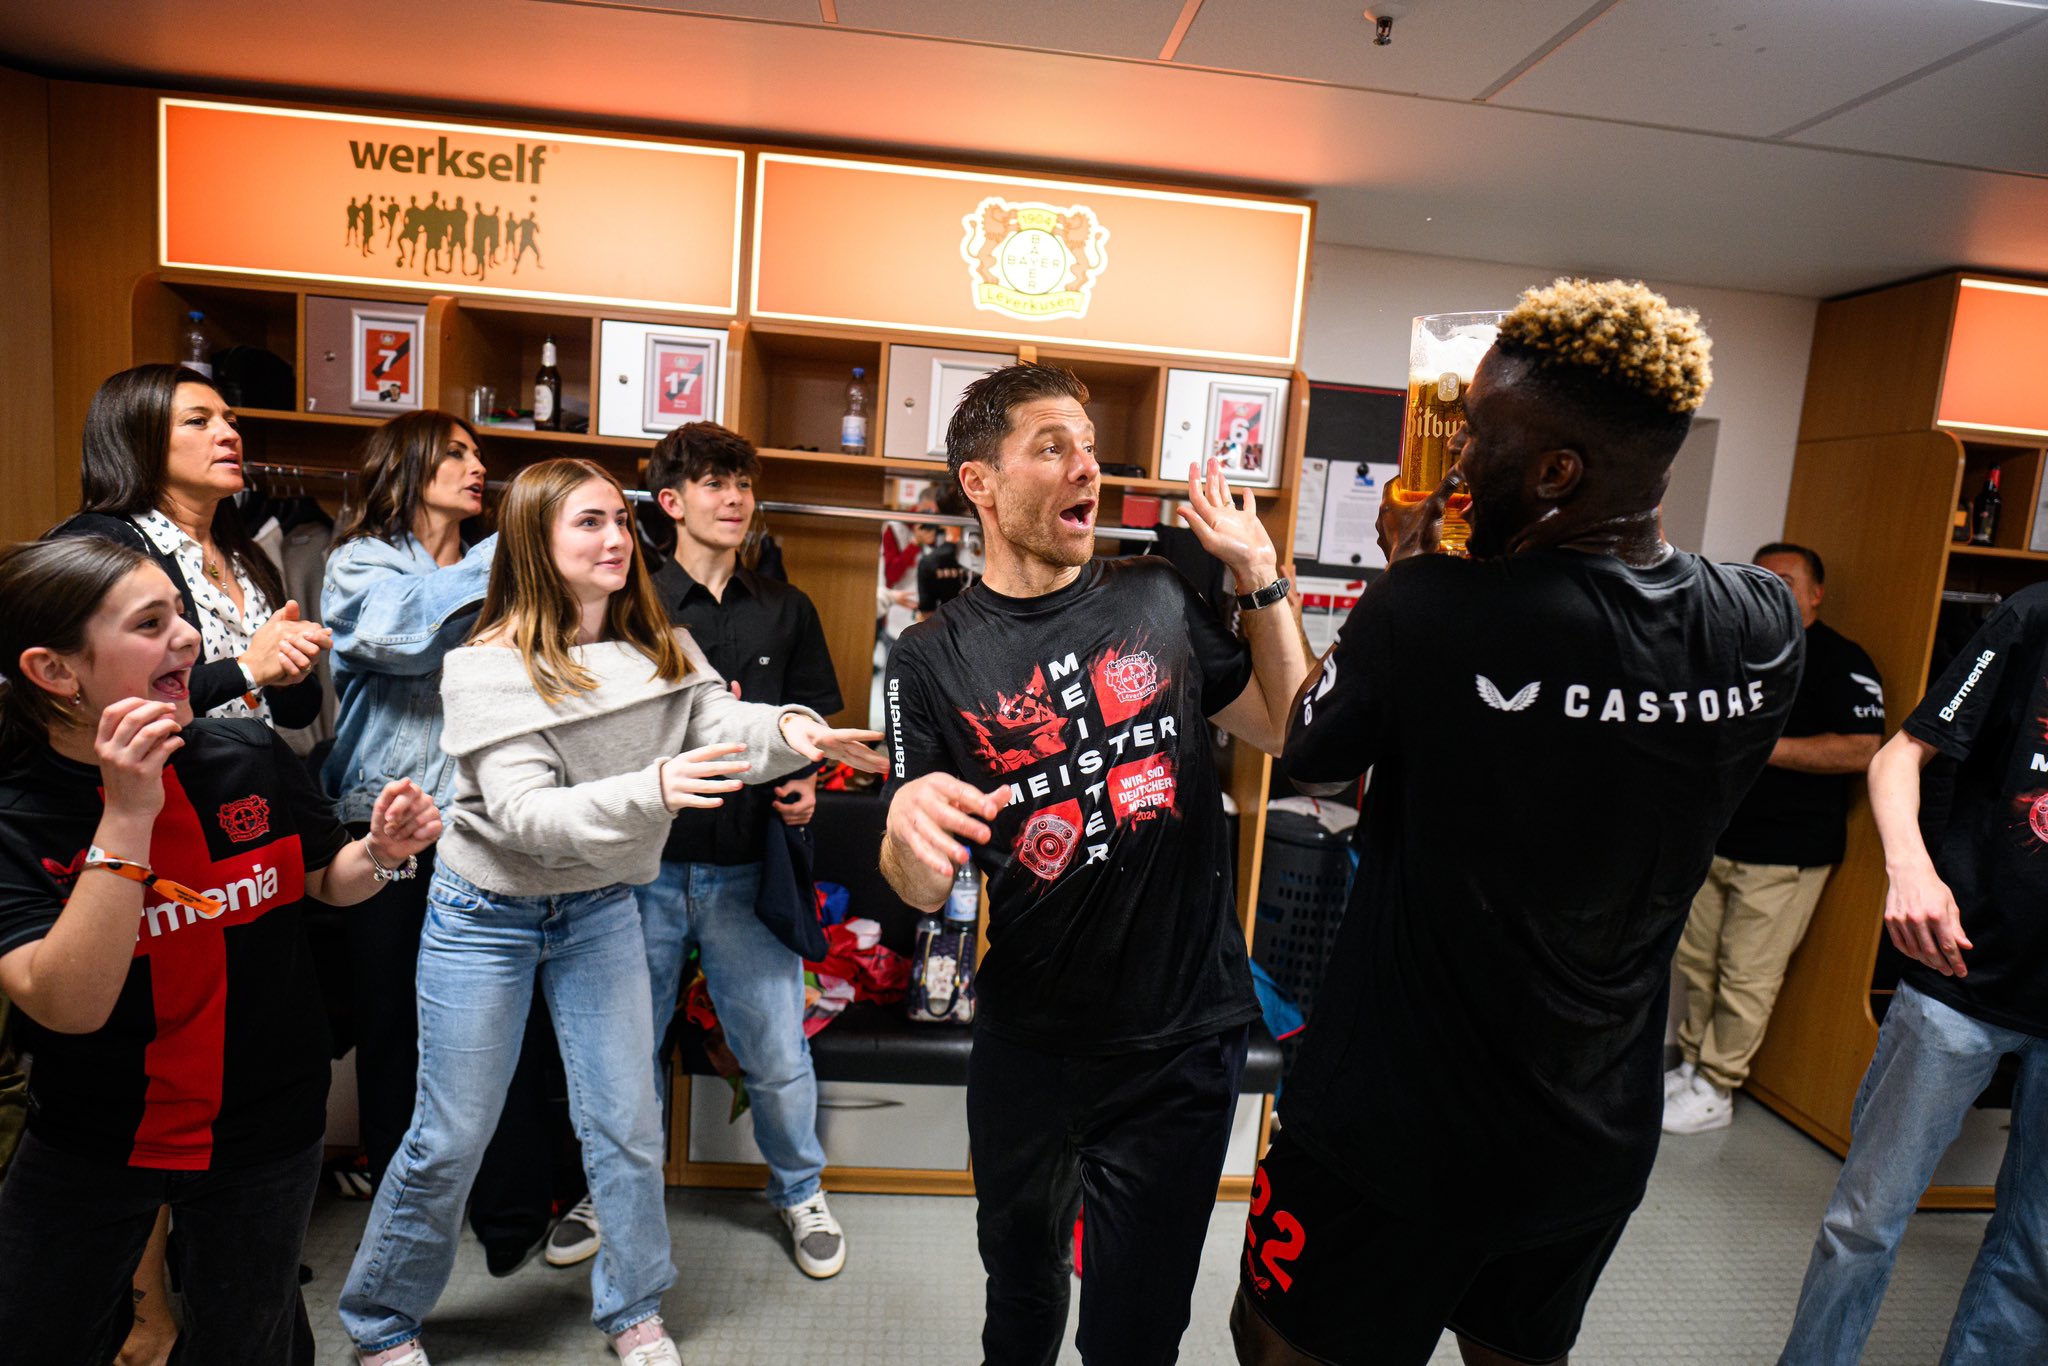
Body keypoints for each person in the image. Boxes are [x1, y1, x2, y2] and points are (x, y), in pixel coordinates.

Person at [1232, 279, 1803, 1366]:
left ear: (1555, 473)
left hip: (1388, 1136)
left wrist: (1405, 564)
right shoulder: (1762, 619)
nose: (1453, 466)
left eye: (1477, 438)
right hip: (1590, 1133)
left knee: (1282, 1347)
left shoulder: (1432, 607)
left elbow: (1309, 745)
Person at [337, 458, 884, 1366]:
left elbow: (718, 719)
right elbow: (525, 816)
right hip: (487, 914)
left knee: (628, 1123)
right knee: (449, 1136)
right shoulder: (483, 667)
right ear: (535, 543)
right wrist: (657, 786)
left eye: (621, 525)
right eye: (589, 523)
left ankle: (634, 1309)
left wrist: (792, 732)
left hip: (596, 910)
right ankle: (381, 1323)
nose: (616, 540)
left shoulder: (658, 646)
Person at [880, 362, 1311, 1365]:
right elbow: (918, 883)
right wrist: (905, 822)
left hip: (1180, 1041)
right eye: (1051, 447)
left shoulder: (1157, 598)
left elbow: (1289, 731)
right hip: (1031, 1040)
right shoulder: (929, 656)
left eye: (1088, 444)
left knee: (1136, 1331)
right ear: (979, 482)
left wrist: (1260, 576)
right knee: (1021, 1304)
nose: (1088, 467)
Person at [0, 536, 442, 1366]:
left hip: (266, 1127)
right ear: (56, 673)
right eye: (150, 621)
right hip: (94, 1137)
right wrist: (127, 814)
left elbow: (322, 879)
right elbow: (66, 1002)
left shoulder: (247, 755)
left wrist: (379, 853)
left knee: (251, 1340)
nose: (190, 638)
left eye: (182, 611)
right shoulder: (18, 812)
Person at [1778, 587, 2048, 1365]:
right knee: (1864, 1225)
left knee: (2036, 1251)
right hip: (1960, 969)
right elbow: (1901, 753)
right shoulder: (2033, 617)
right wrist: (1910, 869)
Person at [323, 410, 566, 1272]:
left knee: (506, 1026)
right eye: (456, 452)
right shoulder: (360, 564)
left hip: (484, 826)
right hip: (385, 827)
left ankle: (509, 1219)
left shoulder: (493, 560)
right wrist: (517, 546)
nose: (476, 465)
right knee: (397, 1031)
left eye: (478, 454)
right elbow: (397, 640)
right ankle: (407, 1230)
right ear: (408, 463)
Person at [618, 421, 849, 1279]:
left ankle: (799, 1192)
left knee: (778, 1051)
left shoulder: (788, 609)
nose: (735, 498)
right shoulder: (631, 603)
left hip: (750, 870)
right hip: (639, 868)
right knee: (623, 1049)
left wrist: (808, 779)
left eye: (744, 484)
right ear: (671, 503)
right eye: (716, 483)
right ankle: (608, 1191)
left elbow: (818, 721)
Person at [1665, 542, 1884, 1134]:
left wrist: (1765, 749)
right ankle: (1690, 1066)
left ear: (1816, 594)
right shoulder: (1730, 649)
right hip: (1715, 839)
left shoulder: (1840, 659)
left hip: (1788, 853)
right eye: (1759, 580)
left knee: (1746, 977)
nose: (1770, 590)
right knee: (1699, 964)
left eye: (1784, 582)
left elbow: (1864, 748)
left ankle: (1717, 1087)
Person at [51, 364, 330, 730]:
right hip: (149, 781)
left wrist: (290, 668)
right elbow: (103, 694)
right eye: (199, 421)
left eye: (231, 422)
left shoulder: (247, 554)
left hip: (245, 781)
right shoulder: (103, 543)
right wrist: (247, 668)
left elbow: (297, 715)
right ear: (139, 440)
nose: (228, 434)